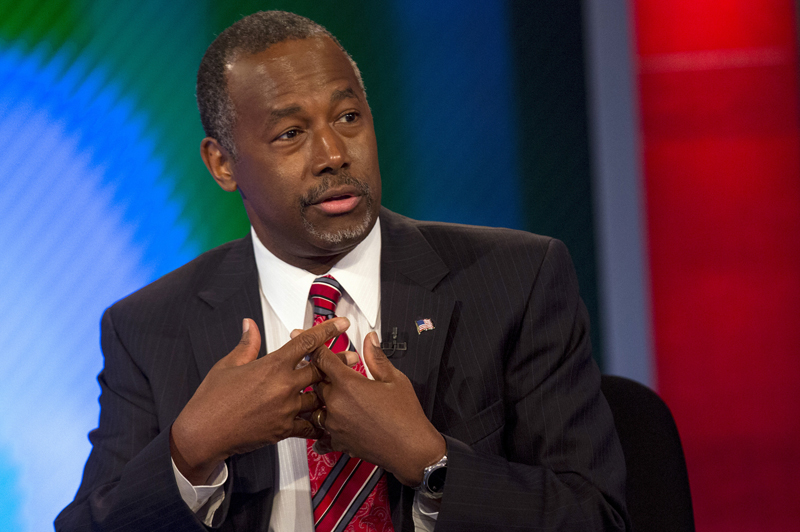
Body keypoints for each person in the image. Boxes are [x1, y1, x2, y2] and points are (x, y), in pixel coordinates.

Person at [56, 10, 630, 532]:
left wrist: (429, 462)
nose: (334, 154)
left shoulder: (515, 281)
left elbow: (595, 517)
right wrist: (192, 450)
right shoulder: (148, 327)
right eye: (291, 133)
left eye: (348, 116)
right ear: (223, 163)